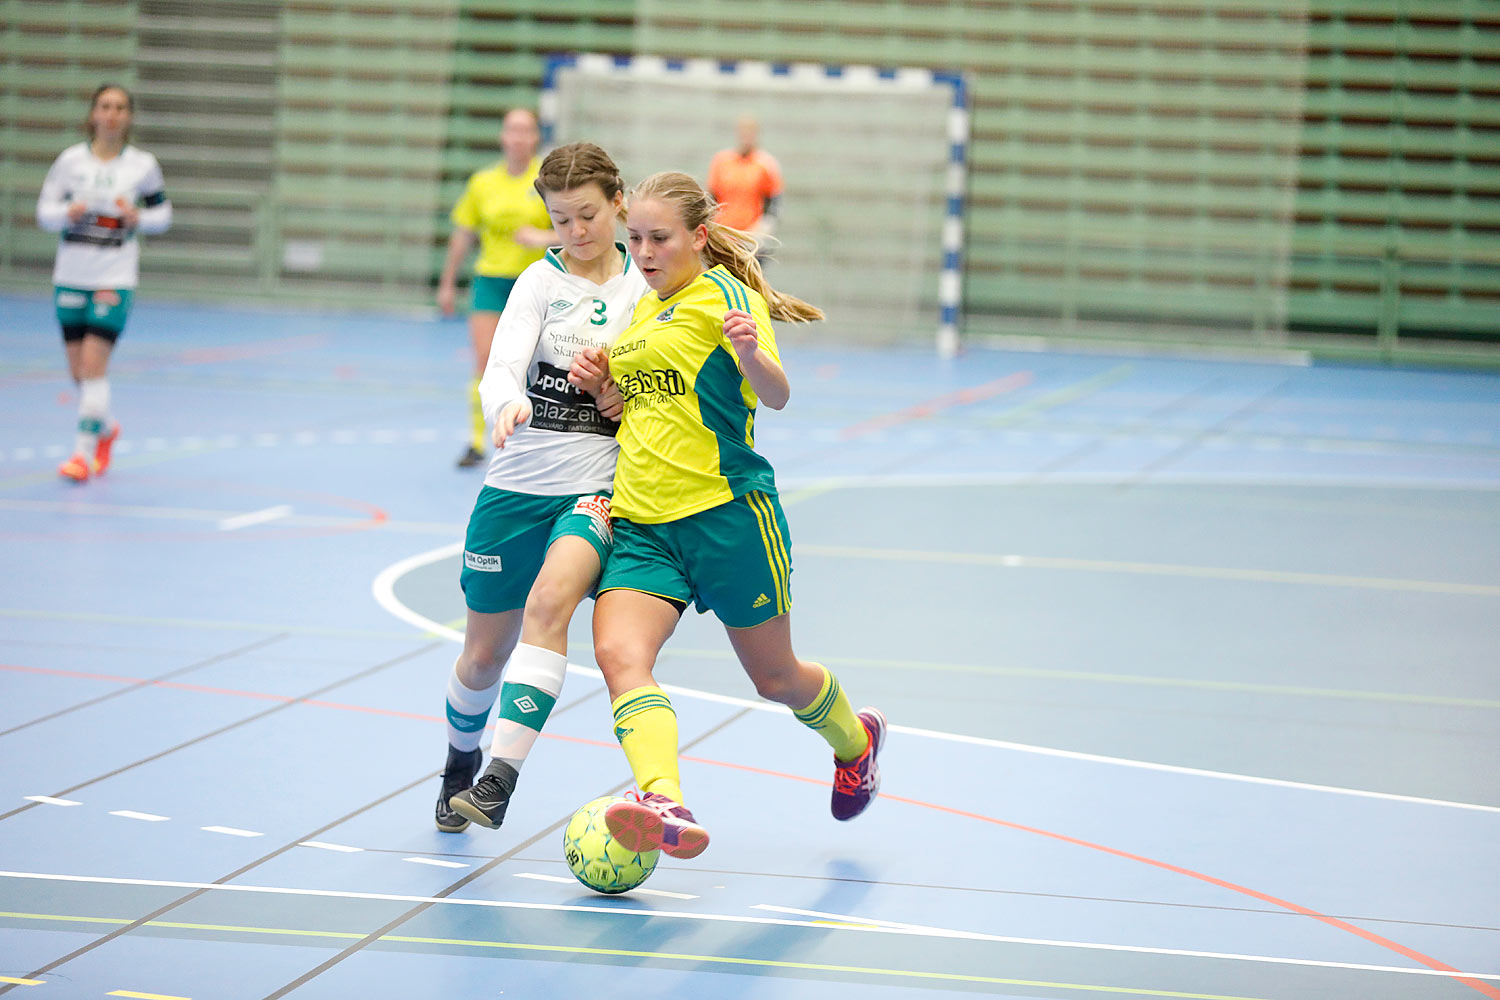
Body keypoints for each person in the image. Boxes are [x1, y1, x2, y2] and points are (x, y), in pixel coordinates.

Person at [567, 171, 885, 860]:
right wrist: (605, 388)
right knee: (619, 654)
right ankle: (662, 798)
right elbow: (643, 405)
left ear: (698, 237)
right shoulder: (643, 309)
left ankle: (856, 742)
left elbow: (774, 394)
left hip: (727, 516)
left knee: (776, 680)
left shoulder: (726, 298)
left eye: (659, 238)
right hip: (644, 523)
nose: (644, 252)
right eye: (636, 239)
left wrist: (749, 353)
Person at [435, 142, 650, 834]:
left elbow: (659, 395)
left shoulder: (644, 291)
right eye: (561, 221)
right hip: (515, 488)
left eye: (587, 215)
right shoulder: (537, 282)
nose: (577, 231)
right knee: (481, 657)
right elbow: (500, 368)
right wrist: (507, 405)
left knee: (552, 604)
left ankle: (499, 780)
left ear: (617, 203)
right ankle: (460, 765)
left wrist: (616, 395)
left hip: (593, 489)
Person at [35, 83, 172, 483]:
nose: (112, 114)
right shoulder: (70, 162)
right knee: (78, 372)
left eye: (120, 108)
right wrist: (66, 212)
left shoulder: (142, 166)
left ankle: (82, 454)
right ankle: (108, 428)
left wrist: (138, 219)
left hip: (114, 277)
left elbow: (163, 215)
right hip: (71, 275)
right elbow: (44, 213)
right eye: (105, 106)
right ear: (93, 114)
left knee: (94, 367)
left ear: (129, 117)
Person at [437, 108, 555, 469]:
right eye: (512, 130)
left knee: (539, 364)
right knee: (486, 359)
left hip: (535, 282)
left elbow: (575, 231)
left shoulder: (548, 180)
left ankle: (535, 438)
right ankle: (477, 440)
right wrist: (447, 282)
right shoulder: (483, 182)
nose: (518, 137)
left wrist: (541, 236)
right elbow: (463, 235)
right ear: (503, 136)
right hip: (491, 280)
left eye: (526, 130)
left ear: (536, 137)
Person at [706, 115, 782, 251]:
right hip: (724, 235)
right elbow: (712, 198)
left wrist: (761, 232)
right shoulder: (721, 161)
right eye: (743, 132)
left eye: (750, 133)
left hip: (751, 237)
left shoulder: (766, 163)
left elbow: (773, 203)